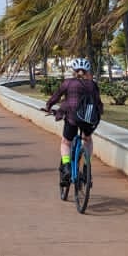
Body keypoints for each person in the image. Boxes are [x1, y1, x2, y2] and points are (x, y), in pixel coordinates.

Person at [42, 58, 104, 195]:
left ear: (73, 71)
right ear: (87, 71)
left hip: (72, 118)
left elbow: (55, 97)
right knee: (87, 139)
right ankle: (87, 167)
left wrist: (48, 107)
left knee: (66, 142)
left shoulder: (68, 83)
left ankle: (66, 166)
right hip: (88, 119)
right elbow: (98, 103)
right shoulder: (92, 85)